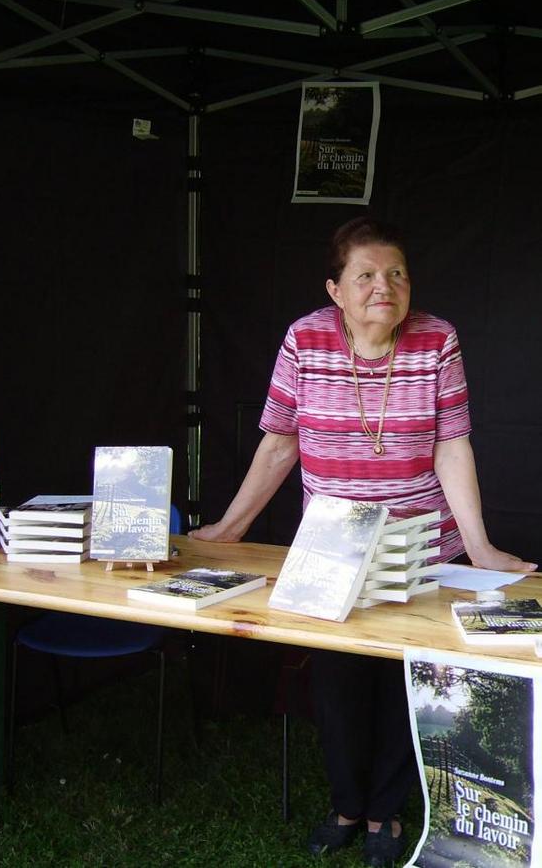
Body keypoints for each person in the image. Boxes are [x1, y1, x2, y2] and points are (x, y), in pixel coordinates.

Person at [189, 216, 536, 868]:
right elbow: (279, 442)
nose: (386, 285)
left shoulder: (436, 339)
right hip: (333, 553)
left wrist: (479, 546)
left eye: (397, 273)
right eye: (367, 275)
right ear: (335, 290)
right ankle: (346, 806)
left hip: (423, 547)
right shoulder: (305, 339)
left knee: (408, 681)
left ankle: (385, 812)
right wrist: (229, 527)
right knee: (339, 682)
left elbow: (449, 445)